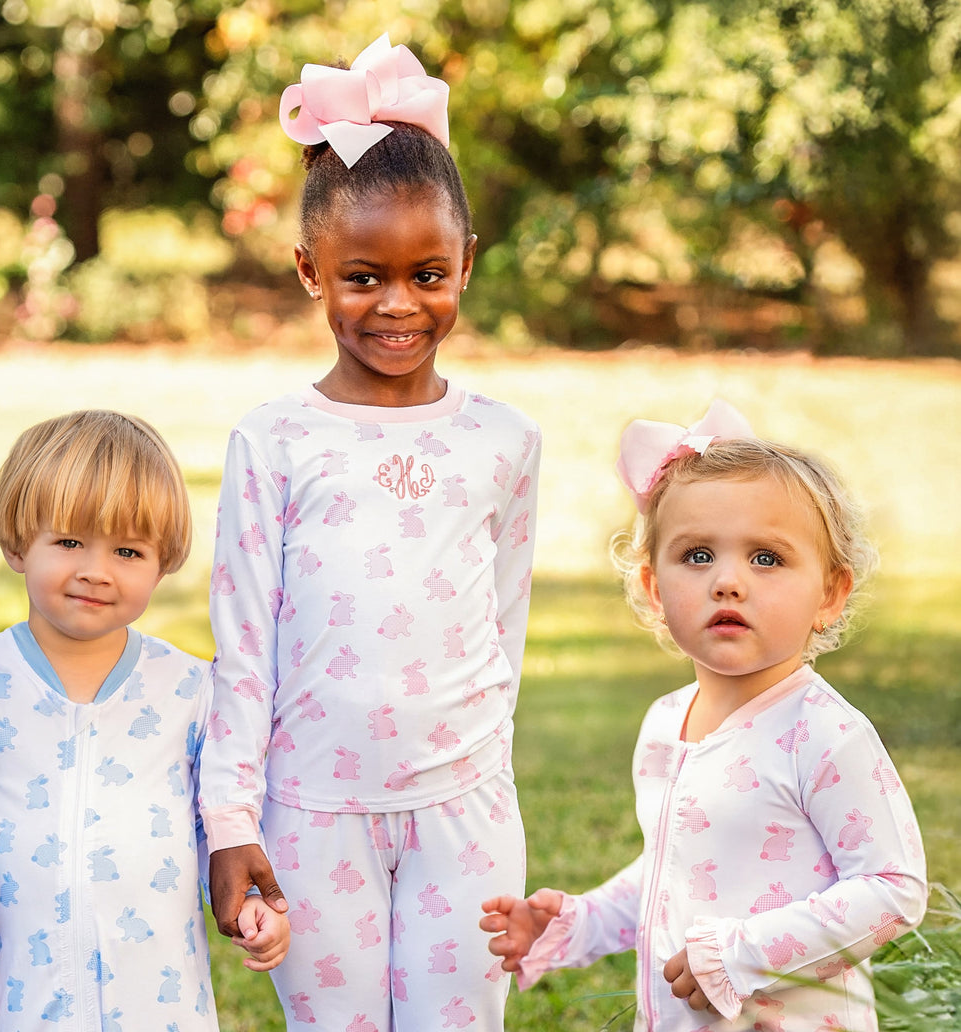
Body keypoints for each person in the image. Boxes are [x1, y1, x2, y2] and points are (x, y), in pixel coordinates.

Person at [197, 35, 542, 1030]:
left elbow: (504, 627)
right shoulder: (274, 441)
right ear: (310, 271)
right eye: (362, 277)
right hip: (310, 815)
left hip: (463, 811)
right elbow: (242, 649)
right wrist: (230, 821)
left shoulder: (504, 440)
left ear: (466, 263)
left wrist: (482, 775)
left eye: (428, 274)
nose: (398, 304)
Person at [481, 401, 929, 1031]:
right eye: (697, 556)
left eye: (766, 558)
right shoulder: (665, 722)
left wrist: (742, 956)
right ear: (654, 589)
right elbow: (679, 867)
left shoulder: (825, 734)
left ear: (830, 594)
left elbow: (893, 887)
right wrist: (584, 922)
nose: (728, 582)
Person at [0, 410, 288, 1032]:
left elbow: (220, 819)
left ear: (163, 564)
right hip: (28, 1004)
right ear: (16, 544)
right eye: (70, 542)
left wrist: (256, 904)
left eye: (128, 551)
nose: (96, 570)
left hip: (164, 1007)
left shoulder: (190, 690)